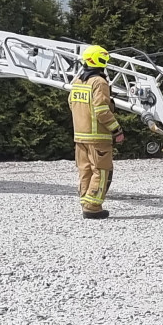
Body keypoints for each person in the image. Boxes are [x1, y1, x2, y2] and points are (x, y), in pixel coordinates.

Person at [68, 45, 125, 220]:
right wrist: (116, 129)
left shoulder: (77, 82)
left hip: (80, 136)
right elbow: (101, 111)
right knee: (101, 171)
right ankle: (93, 207)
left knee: (85, 170)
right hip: (98, 136)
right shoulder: (99, 82)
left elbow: (71, 103)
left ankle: (86, 202)